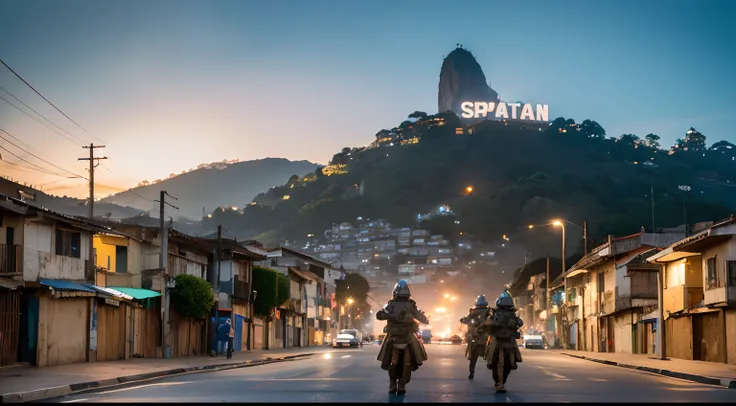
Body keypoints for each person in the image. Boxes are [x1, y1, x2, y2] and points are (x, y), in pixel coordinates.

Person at [376, 280, 429, 395]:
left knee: (389, 359)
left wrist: (387, 314)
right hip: (408, 336)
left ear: (394, 293)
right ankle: (401, 384)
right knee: (413, 358)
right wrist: (425, 319)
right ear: (408, 294)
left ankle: (392, 384)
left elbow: (379, 316)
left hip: (393, 336)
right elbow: (422, 318)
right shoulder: (412, 305)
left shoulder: (390, 305)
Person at [484, 289, 523, 393]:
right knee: (496, 362)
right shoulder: (495, 314)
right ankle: (499, 383)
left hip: (508, 341)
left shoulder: (512, 315)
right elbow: (487, 325)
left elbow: (519, 324)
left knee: (509, 364)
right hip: (499, 341)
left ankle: (500, 382)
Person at [460, 295, 492, 380]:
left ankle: (472, 372)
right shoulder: (478, 312)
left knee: (473, 357)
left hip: (483, 337)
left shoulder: (487, 312)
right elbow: (466, 320)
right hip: (479, 337)